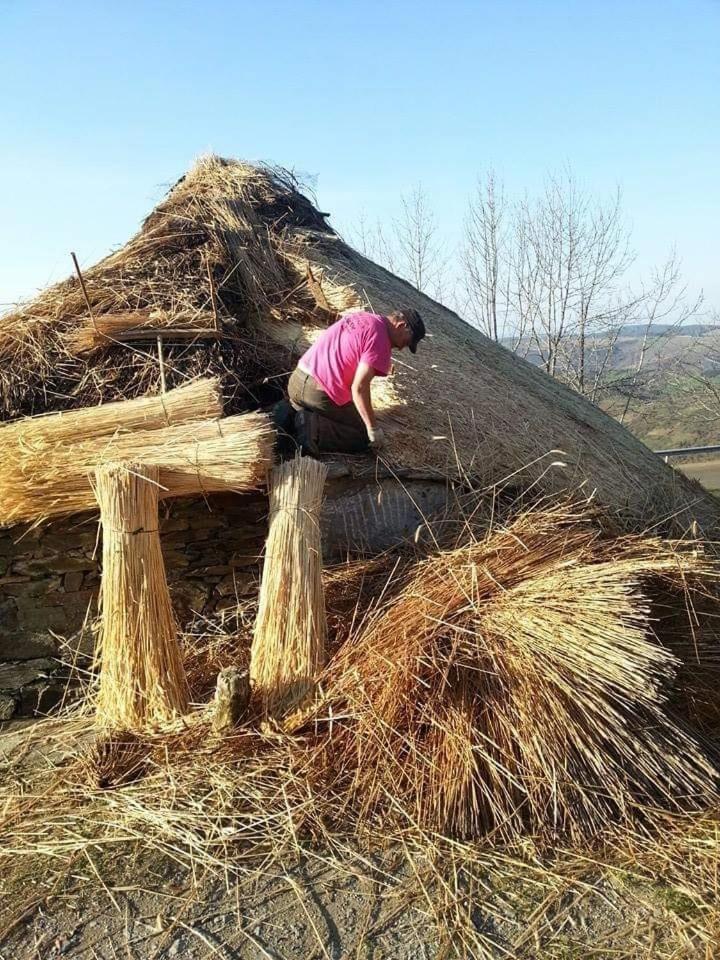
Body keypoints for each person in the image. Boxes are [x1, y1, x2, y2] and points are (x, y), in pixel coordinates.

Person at [288, 308, 425, 455]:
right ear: (401, 325)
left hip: (296, 380)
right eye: (407, 341)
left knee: (302, 414)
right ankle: (313, 427)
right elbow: (359, 388)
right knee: (362, 435)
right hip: (319, 393)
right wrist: (372, 429)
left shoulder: (361, 316)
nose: (402, 347)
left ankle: (289, 413)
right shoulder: (381, 338)